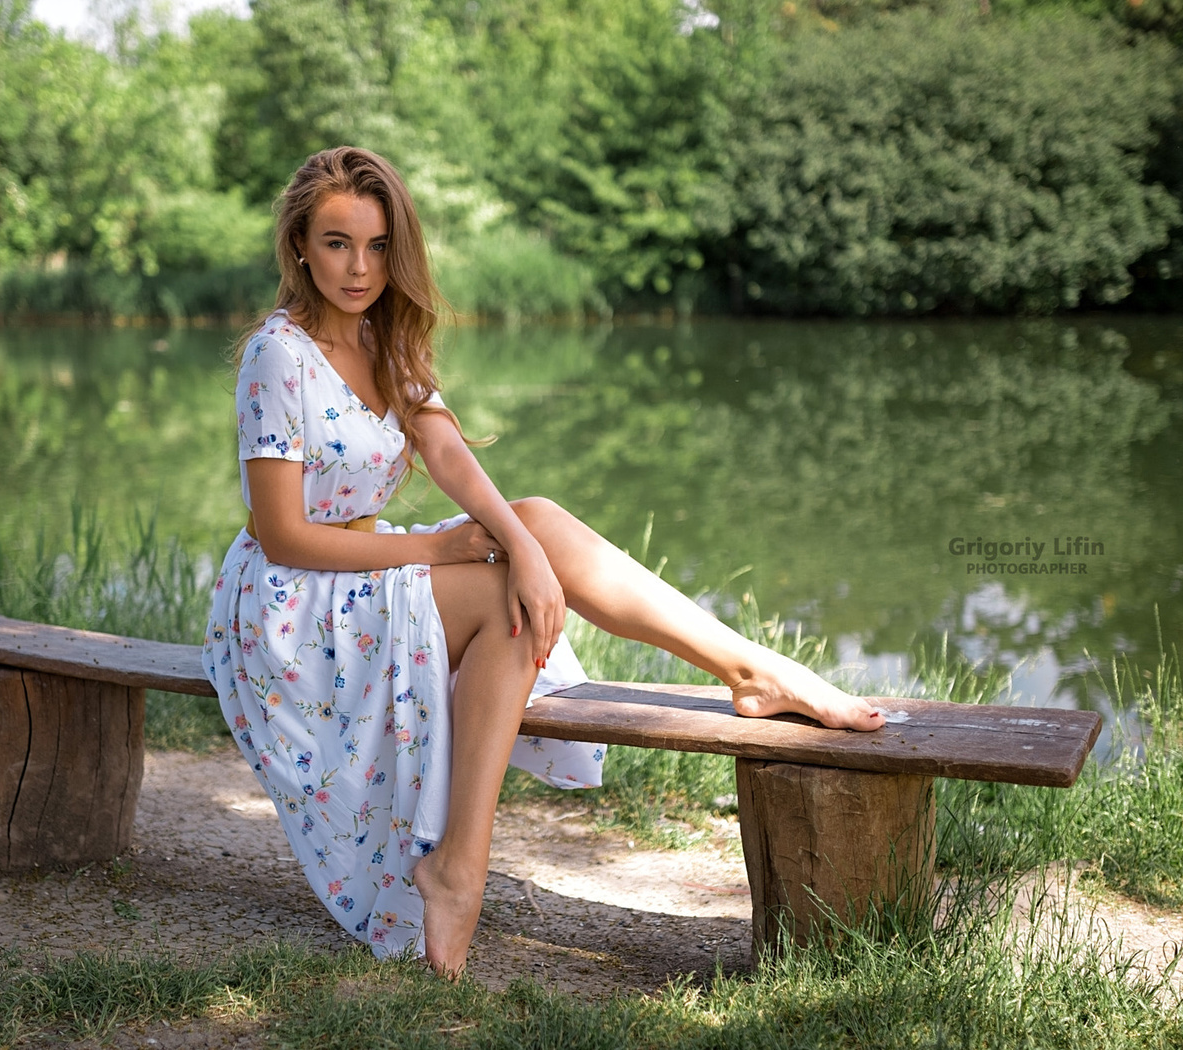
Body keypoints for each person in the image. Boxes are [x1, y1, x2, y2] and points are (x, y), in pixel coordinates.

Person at [200, 146, 884, 978]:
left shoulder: (387, 336)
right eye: (338, 243)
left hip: (362, 571)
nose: (360, 268)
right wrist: (440, 548)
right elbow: (282, 537)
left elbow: (450, 457)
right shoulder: (280, 355)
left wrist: (519, 542)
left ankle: (750, 669)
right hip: (286, 605)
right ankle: (457, 868)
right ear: (300, 247)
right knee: (504, 597)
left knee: (542, 526)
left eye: (379, 247)